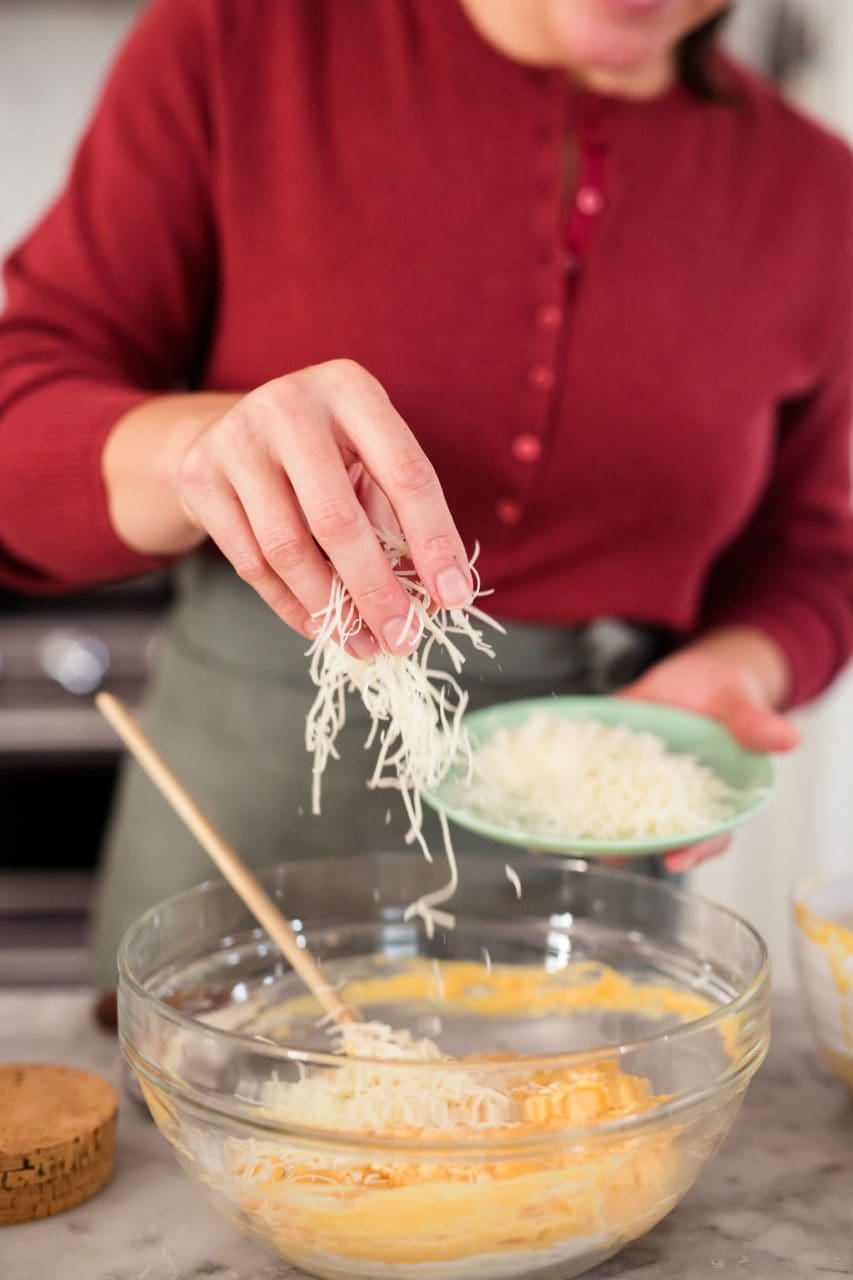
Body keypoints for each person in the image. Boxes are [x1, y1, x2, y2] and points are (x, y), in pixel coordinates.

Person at [0, 0, 851, 992]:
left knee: (573, 1085)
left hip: (592, 854)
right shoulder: (241, 42)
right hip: (241, 832)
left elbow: (812, 553)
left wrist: (738, 666)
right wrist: (199, 447)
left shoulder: (816, 194)